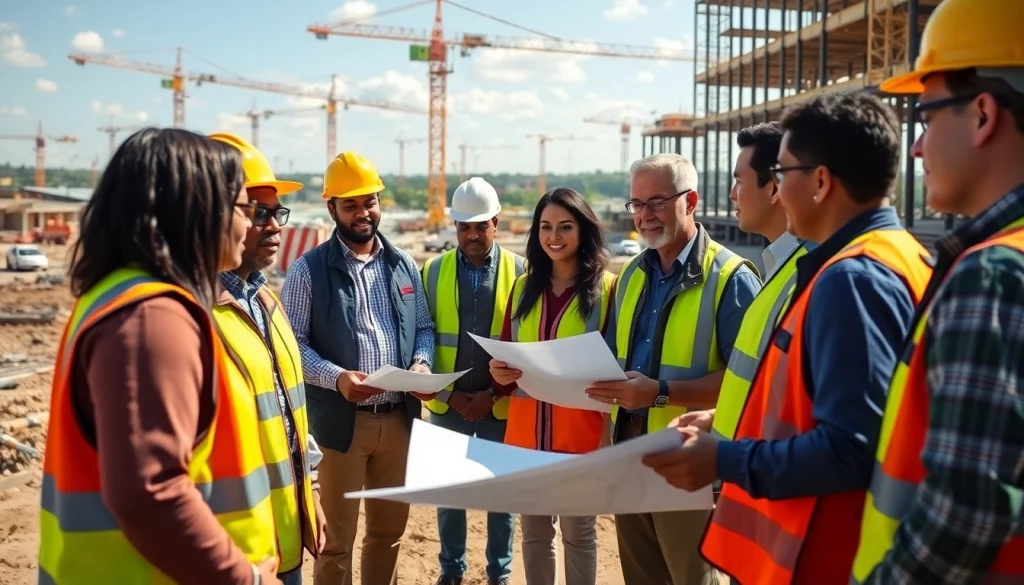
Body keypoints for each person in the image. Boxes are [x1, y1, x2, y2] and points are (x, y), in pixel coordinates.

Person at [645, 92, 932, 585]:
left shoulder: (853, 278)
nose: (774, 189)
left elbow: (850, 446)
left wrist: (723, 458)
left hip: (823, 552)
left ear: (820, 181)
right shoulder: (893, 254)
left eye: (782, 174)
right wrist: (726, 419)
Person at [38, 128, 283, 584]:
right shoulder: (152, 318)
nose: (249, 225)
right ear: (197, 210)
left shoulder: (124, 298)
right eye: (241, 208)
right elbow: (150, 492)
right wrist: (241, 577)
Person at [847, 1, 1024, 583]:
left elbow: (962, 516)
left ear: (981, 114)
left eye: (926, 116)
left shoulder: (992, 276)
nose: (917, 148)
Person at [584, 153, 762, 585]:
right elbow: (616, 356)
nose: (644, 216)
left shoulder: (730, 277)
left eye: (657, 202)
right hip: (629, 456)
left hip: (689, 466)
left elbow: (753, 386)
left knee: (693, 578)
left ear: (691, 201)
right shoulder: (630, 275)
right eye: (637, 204)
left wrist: (661, 392)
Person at [281, 151, 436, 585]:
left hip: (399, 421)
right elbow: (293, 346)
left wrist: (422, 365)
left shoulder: (402, 264)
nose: (363, 212)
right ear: (331, 208)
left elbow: (423, 326)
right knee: (335, 540)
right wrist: (336, 377)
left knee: (388, 533)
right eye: (351, 204)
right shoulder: (308, 271)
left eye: (369, 201)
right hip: (340, 427)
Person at [209, 132, 327, 585]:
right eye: (260, 213)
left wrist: (309, 493)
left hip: (285, 534)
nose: (276, 225)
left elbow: (288, 414)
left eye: (279, 213)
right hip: (234, 553)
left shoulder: (269, 305)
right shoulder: (199, 317)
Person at [490, 187, 616, 585]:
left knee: (579, 535)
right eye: (545, 227)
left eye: (565, 226)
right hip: (526, 437)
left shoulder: (610, 290)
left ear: (583, 231)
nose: (554, 237)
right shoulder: (523, 289)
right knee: (535, 534)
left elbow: (619, 362)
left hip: (582, 437)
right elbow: (507, 356)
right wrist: (499, 373)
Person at [663, 122, 809, 442]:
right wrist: (720, 416)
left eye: (739, 182)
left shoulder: (811, 276)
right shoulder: (780, 268)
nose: (732, 195)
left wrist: (726, 457)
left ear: (773, 188)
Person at [421, 177, 524, 585]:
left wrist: (492, 394)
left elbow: (528, 343)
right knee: (450, 495)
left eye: (481, 225)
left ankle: (499, 574)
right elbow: (423, 337)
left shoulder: (523, 271)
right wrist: (449, 392)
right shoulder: (432, 271)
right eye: (464, 227)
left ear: (496, 223)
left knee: (503, 497)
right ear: (455, 227)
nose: (472, 235)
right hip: (449, 405)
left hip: (501, 405)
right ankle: (451, 571)